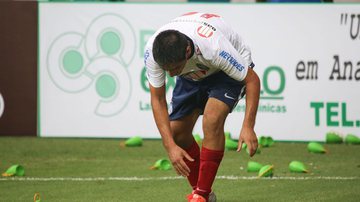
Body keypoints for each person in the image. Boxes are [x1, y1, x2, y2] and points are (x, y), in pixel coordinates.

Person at [144, 12, 260, 202]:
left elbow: (252, 80)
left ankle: (201, 195)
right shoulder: (154, 53)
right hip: (193, 73)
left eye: (174, 68)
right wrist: (170, 146)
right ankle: (204, 193)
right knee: (177, 133)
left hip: (224, 71)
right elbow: (157, 100)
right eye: (167, 70)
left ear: (188, 51)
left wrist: (248, 126)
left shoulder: (214, 47)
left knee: (212, 119)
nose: (171, 75)